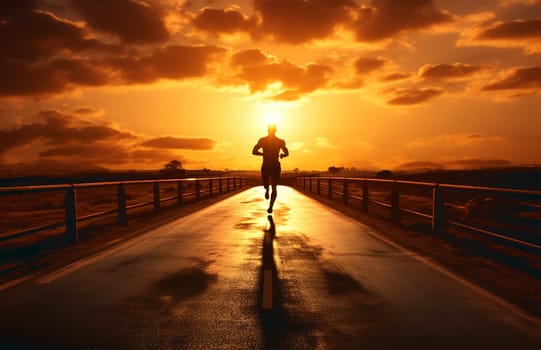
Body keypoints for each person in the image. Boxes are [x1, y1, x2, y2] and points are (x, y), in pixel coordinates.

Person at [252, 123, 289, 213]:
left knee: (274, 187)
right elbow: (253, 151)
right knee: (266, 184)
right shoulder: (263, 140)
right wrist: (262, 154)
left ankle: (270, 206)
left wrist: (283, 155)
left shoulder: (280, 141)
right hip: (267, 165)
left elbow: (287, 152)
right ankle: (267, 189)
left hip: (274, 165)